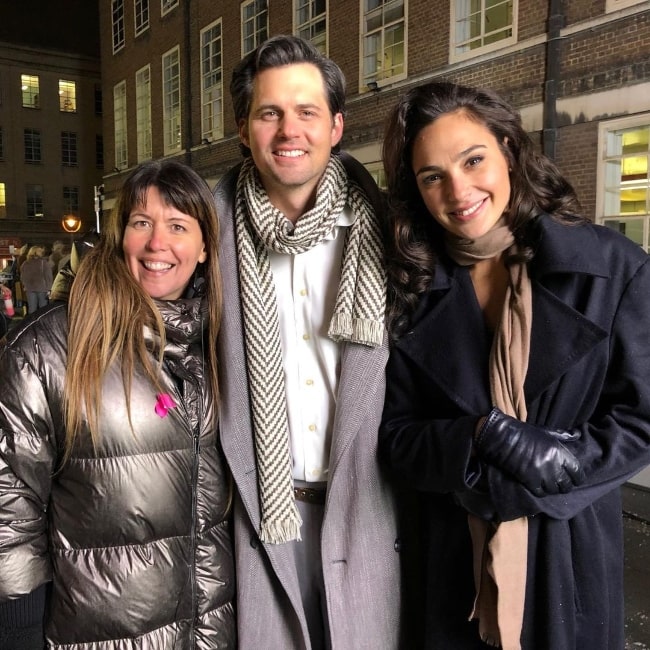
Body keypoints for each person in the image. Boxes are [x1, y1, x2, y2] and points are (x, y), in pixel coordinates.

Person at [378, 80, 650, 650]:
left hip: (569, 554)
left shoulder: (612, 268)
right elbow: (396, 439)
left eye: (473, 159)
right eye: (433, 177)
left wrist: (568, 459)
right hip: (455, 566)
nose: (459, 189)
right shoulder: (410, 289)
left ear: (507, 148)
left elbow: (641, 416)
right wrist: (475, 438)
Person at [214, 34, 405, 649]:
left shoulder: (392, 237)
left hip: (370, 511)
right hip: (253, 519)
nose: (288, 129)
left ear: (336, 126)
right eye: (269, 113)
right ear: (244, 129)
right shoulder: (203, 237)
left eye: (307, 112)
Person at [0, 159, 235, 648]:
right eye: (141, 223)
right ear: (120, 235)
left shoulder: (217, 343)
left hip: (206, 630)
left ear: (205, 247)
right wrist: (18, 628)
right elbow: (10, 503)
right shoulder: (50, 347)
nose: (157, 244)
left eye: (177, 226)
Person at [19, 244, 52, 314]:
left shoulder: (25, 263)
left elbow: (22, 276)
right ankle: (42, 323)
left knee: (32, 309)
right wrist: (49, 288)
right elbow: (48, 276)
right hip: (42, 289)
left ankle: (32, 323)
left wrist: (25, 285)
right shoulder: (44, 263)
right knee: (43, 309)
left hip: (29, 289)